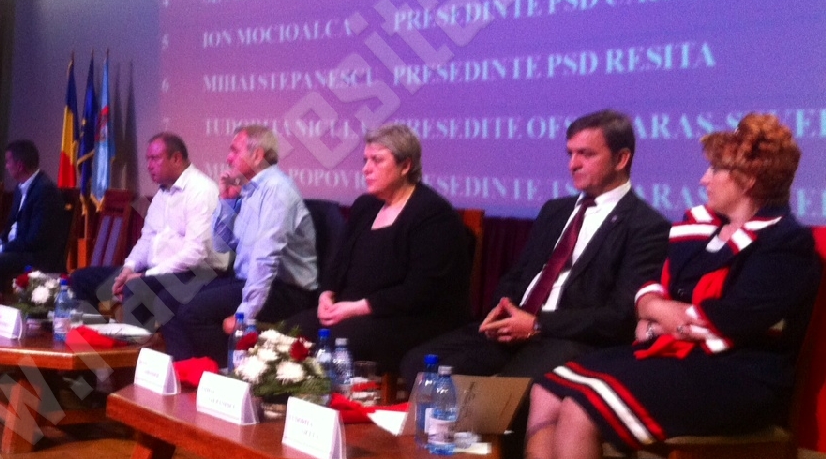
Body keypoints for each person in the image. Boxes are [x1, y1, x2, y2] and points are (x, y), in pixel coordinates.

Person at [521, 113, 820, 459]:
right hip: (682, 356)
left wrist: (662, 314)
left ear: (748, 181)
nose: (703, 179)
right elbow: (649, 290)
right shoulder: (702, 230)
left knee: (581, 406)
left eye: (715, 170)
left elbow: (730, 319)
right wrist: (660, 310)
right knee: (547, 389)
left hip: (739, 376)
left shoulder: (786, 244)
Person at [399, 109, 670, 387]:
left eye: (586, 154)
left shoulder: (646, 226)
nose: (573, 164)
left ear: (621, 159)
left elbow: (619, 316)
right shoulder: (555, 210)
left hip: (567, 338)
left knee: (508, 390)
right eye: (570, 154)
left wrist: (537, 324)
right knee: (419, 363)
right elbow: (518, 274)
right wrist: (503, 307)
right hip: (513, 327)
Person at [286, 123, 471, 374]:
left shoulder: (433, 214)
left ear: (405, 166)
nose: (366, 169)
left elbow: (421, 290)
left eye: (377, 160)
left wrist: (357, 308)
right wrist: (326, 295)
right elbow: (338, 262)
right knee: (286, 334)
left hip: (407, 318)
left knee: (332, 345)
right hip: (351, 309)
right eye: (365, 160)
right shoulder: (365, 206)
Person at [160, 124, 317, 366]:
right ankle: (186, 373)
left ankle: (225, 375)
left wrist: (245, 313)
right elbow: (222, 245)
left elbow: (266, 259)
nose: (228, 158)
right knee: (167, 301)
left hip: (285, 289)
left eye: (235, 150)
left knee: (193, 311)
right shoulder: (250, 190)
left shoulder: (276, 190)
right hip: (248, 279)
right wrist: (226, 201)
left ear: (257, 155)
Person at [69, 132, 226, 328]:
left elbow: (195, 253)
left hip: (194, 274)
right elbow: (146, 240)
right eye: (148, 159)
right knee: (81, 279)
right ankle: (95, 339)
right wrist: (128, 269)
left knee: (136, 286)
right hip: (157, 271)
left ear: (176, 158)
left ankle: (136, 343)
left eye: (155, 158)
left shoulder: (201, 190)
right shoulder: (163, 193)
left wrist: (146, 276)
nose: (149, 165)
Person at [0, 139, 67, 288]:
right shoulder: (20, 188)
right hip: (12, 248)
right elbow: (10, 226)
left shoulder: (45, 190)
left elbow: (34, 240)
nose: (6, 166)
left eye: (8, 162)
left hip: (33, 255)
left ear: (19, 165)